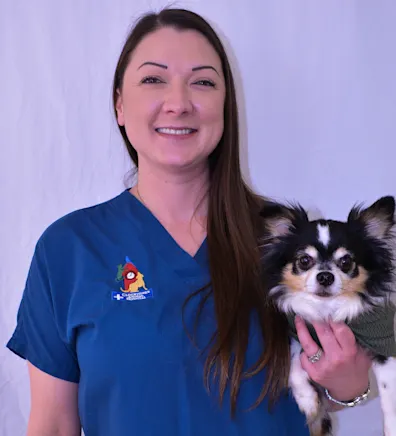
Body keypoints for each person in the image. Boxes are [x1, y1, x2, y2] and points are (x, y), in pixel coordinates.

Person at [7, 8, 371, 436]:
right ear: (120, 105)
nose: (178, 103)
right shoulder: (68, 249)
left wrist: (350, 386)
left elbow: (322, 381)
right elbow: (51, 425)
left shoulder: (292, 245)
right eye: (153, 79)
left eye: (202, 82)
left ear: (225, 106)